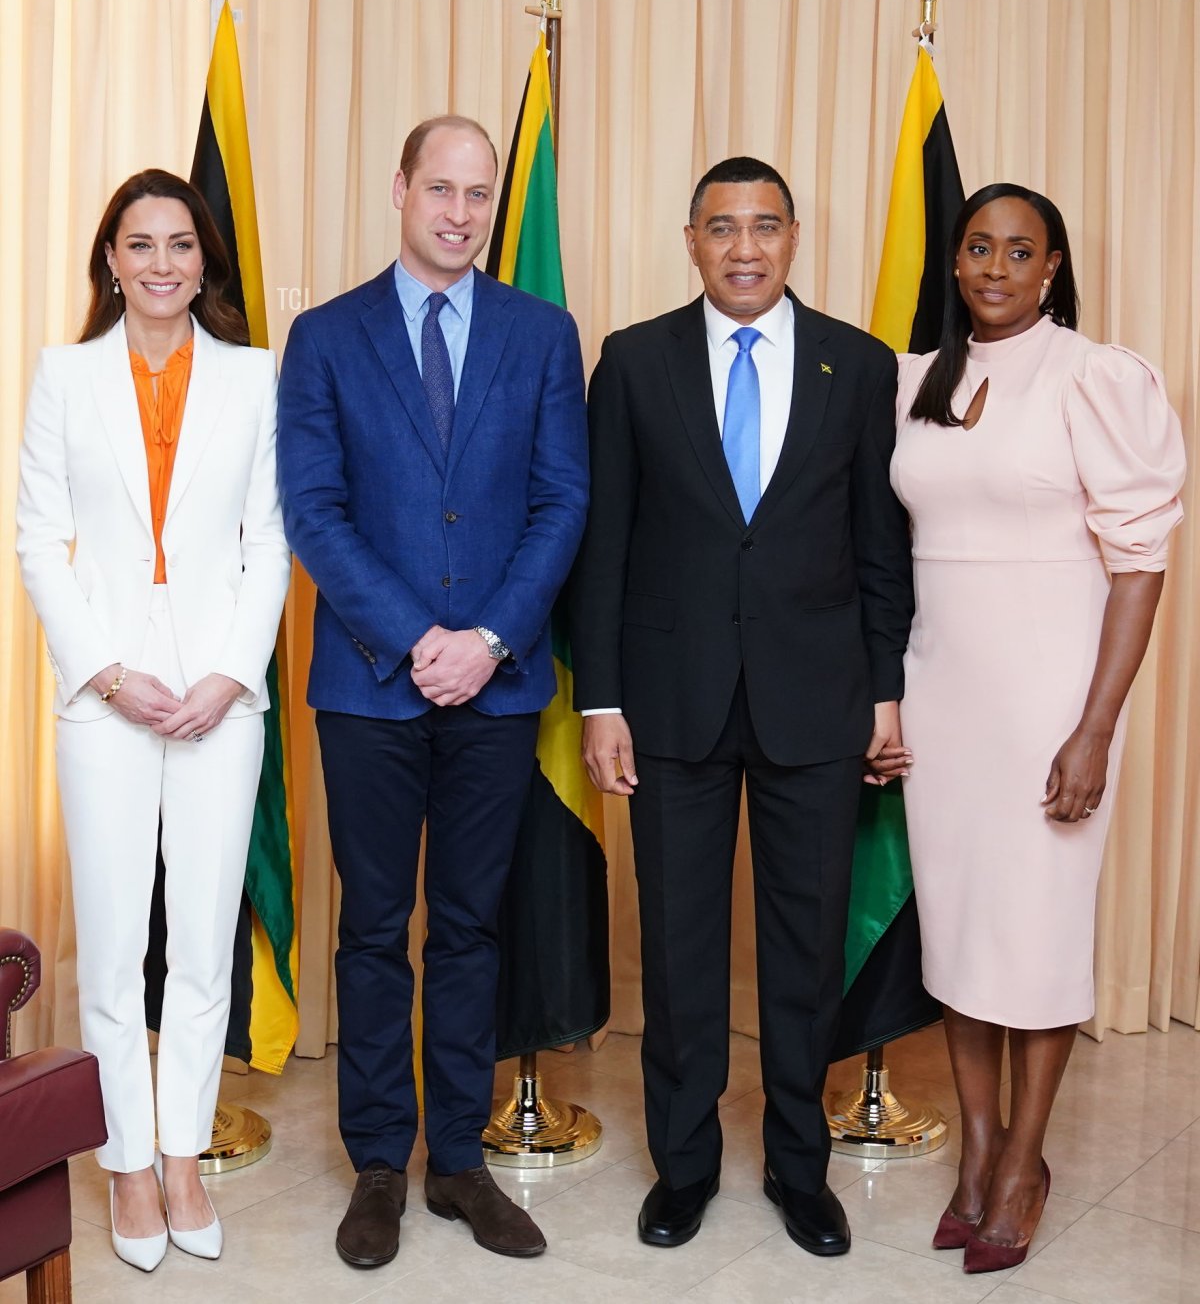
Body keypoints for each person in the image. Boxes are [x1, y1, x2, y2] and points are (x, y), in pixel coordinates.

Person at [570, 156, 914, 1257]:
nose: (746, 248)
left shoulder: (857, 366)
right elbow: (605, 547)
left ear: (796, 236)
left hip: (817, 704)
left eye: (766, 226)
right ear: (691, 240)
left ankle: (800, 1172)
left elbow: (879, 547)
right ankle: (684, 1168)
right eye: (723, 228)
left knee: (804, 950)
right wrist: (602, 702)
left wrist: (885, 688)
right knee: (677, 949)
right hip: (670, 705)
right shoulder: (632, 362)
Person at [277, 114, 588, 1269]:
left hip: (499, 692)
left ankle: (456, 1162)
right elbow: (315, 510)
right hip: (368, 689)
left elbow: (563, 501)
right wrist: (418, 639)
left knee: (467, 927)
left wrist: (492, 637)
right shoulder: (324, 337)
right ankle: (376, 1163)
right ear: (400, 188)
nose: (460, 213)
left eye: (477, 192)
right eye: (440, 189)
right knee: (371, 930)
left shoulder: (543, 333)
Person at [868, 183, 1186, 1275]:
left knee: (1039, 941)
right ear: (954, 265)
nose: (994, 267)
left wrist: (1095, 726)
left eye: (1019, 250)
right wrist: (888, 697)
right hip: (942, 699)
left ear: (1050, 268)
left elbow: (1141, 567)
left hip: (1055, 700)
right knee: (961, 936)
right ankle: (979, 1151)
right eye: (976, 249)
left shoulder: (1096, 377)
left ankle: (1024, 1164)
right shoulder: (914, 381)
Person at [16, 170, 291, 1272]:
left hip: (222, 696)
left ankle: (185, 1153)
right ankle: (127, 1161)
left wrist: (230, 673)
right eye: (141, 245)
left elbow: (269, 540)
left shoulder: (256, 378)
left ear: (205, 262)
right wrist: (108, 672)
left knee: (203, 941)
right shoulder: (64, 375)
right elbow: (39, 538)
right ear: (111, 261)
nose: (163, 264)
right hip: (108, 696)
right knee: (118, 943)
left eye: (181, 244)